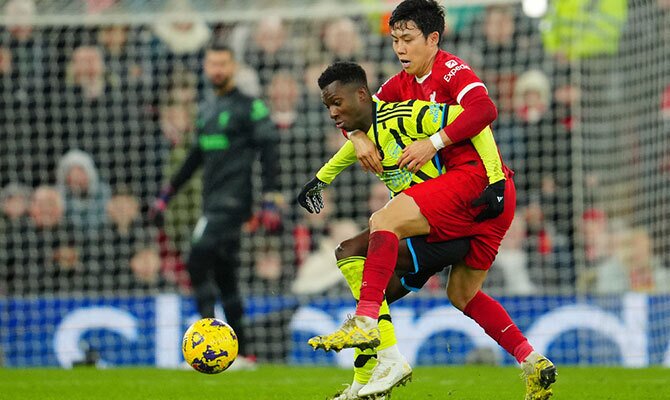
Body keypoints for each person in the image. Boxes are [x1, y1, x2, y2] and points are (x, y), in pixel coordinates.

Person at [310, 6, 556, 393]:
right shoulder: (397, 85)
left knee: (382, 223)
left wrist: (434, 143)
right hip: (488, 204)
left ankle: (367, 326)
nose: (400, 49)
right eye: (395, 41)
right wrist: (357, 138)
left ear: (433, 39)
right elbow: (360, 115)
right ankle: (531, 359)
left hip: (475, 182)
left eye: (408, 40)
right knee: (461, 294)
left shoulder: (451, 70)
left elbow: (485, 109)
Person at [298, 61, 485, 399]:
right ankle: (364, 385)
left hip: (446, 223)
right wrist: (319, 181)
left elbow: (472, 116)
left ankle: (392, 360)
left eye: (337, 103)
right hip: (423, 229)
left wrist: (440, 145)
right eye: (328, 106)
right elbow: (344, 152)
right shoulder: (365, 134)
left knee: (353, 256)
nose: (332, 112)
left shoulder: (403, 115)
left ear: (361, 95)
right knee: (372, 294)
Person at [149, 42, 282, 368]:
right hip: (211, 201)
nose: (217, 70)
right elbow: (195, 156)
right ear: (206, 68)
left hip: (233, 203)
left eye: (223, 63)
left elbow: (270, 147)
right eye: (212, 64)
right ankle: (245, 354)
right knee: (225, 276)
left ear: (233, 66)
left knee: (196, 260)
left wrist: (272, 197)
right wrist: (167, 195)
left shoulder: (250, 107)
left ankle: (208, 341)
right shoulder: (207, 109)